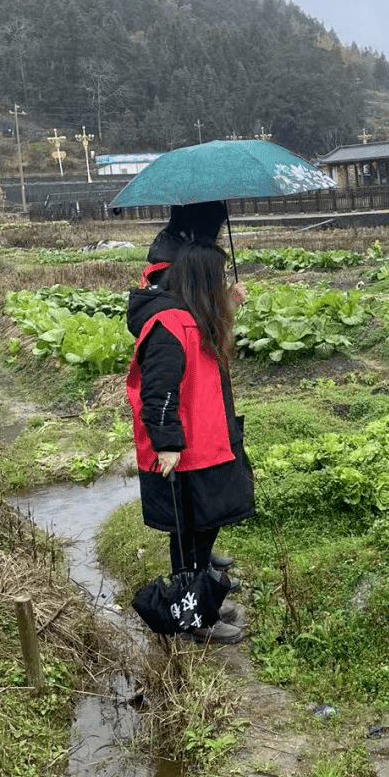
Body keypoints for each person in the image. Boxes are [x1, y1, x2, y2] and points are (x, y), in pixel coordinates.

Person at [126, 238, 255, 643]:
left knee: (205, 527)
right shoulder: (169, 324)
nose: (220, 282)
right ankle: (196, 619)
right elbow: (158, 391)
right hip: (185, 451)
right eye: (216, 278)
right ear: (198, 280)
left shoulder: (190, 315)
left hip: (209, 440)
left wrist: (228, 305)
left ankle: (206, 596)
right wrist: (167, 443)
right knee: (188, 538)